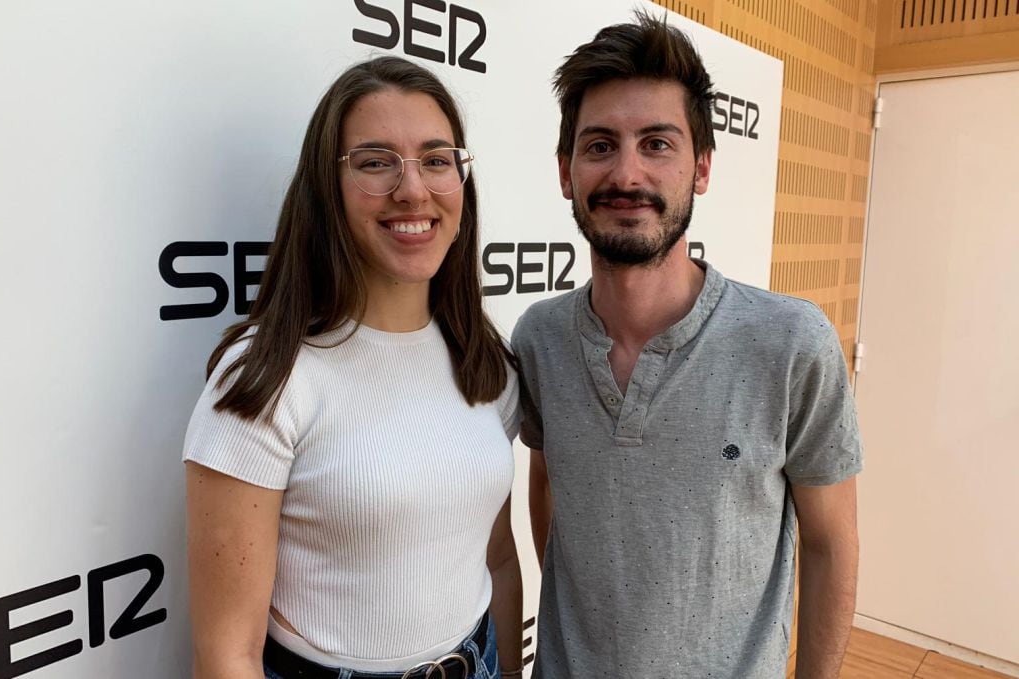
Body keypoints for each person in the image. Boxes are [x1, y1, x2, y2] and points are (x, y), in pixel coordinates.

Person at [511, 12, 863, 679]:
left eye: (657, 143)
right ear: (566, 172)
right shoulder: (540, 337)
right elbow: (551, 473)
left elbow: (830, 542)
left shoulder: (790, 343)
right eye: (600, 145)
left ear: (701, 167)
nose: (627, 173)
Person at [183, 56, 523, 679]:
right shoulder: (265, 377)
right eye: (375, 162)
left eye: (436, 159)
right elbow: (227, 654)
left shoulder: (487, 365)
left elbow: (497, 557)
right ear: (327, 190)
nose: (413, 189)